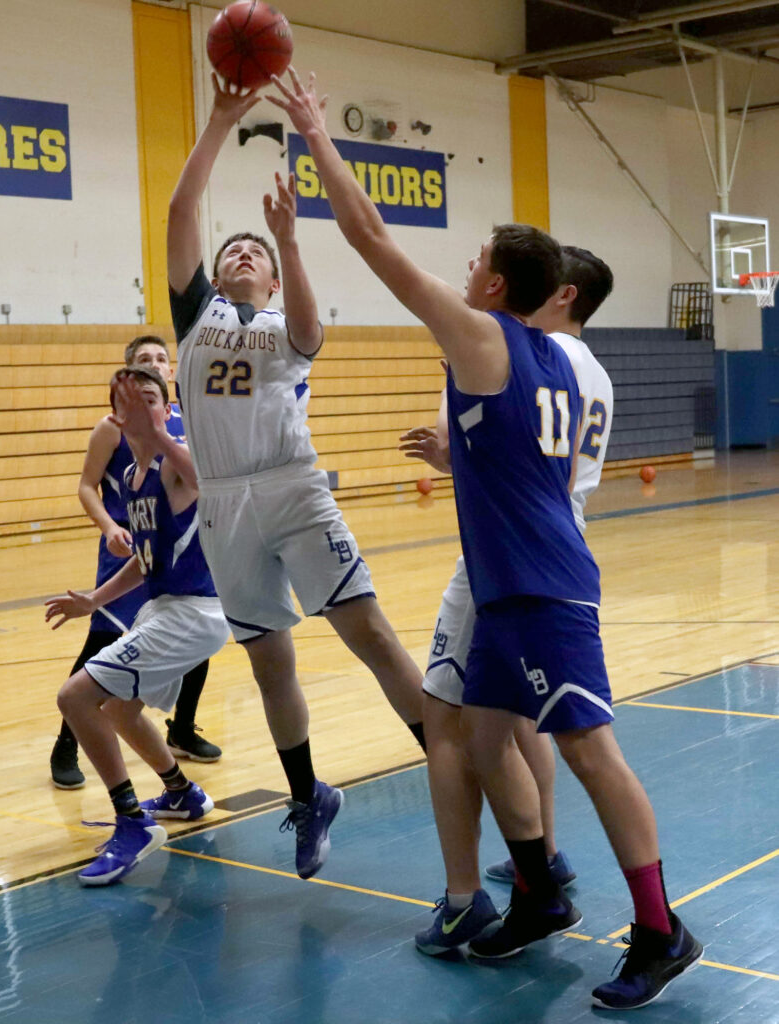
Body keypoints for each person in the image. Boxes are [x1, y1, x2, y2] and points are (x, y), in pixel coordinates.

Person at [268, 69, 702, 1011]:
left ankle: (663, 929)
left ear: (498, 284)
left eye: (476, 259)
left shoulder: (488, 340)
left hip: (541, 584)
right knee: (473, 729)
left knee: (592, 753)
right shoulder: (554, 357)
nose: (464, 267)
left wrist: (313, 127)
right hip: (510, 580)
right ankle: (537, 888)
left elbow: (372, 237)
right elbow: (509, 460)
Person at [165, 74, 426, 881]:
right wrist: (217, 122)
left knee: (370, 635)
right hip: (223, 501)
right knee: (269, 661)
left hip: (292, 488)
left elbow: (312, 331)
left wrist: (294, 238)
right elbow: (182, 214)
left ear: (272, 279)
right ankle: (309, 794)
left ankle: (445, 754)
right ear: (213, 275)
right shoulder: (196, 317)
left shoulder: (287, 320)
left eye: (258, 253)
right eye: (231, 250)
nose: (242, 253)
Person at [398, 247, 614, 956]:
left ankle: (465, 899)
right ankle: (541, 861)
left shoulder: (527, 351)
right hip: (559, 539)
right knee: (520, 727)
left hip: (512, 552)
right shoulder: (591, 370)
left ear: (561, 293)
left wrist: (458, 446)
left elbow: (510, 457)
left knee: (449, 718)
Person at [46, 367, 231, 886]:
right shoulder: (130, 479)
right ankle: (181, 793)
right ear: (114, 414)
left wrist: (161, 438)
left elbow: (202, 478)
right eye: (128, 400)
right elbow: (146, 560)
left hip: (195, 613)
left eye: (151, 398)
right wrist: (95, 600)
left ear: (168, 410)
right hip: (166, 610)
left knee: (75, 698)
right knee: (122, 712)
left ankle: (132, 824)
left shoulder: (177, 465)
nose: (140, 407)